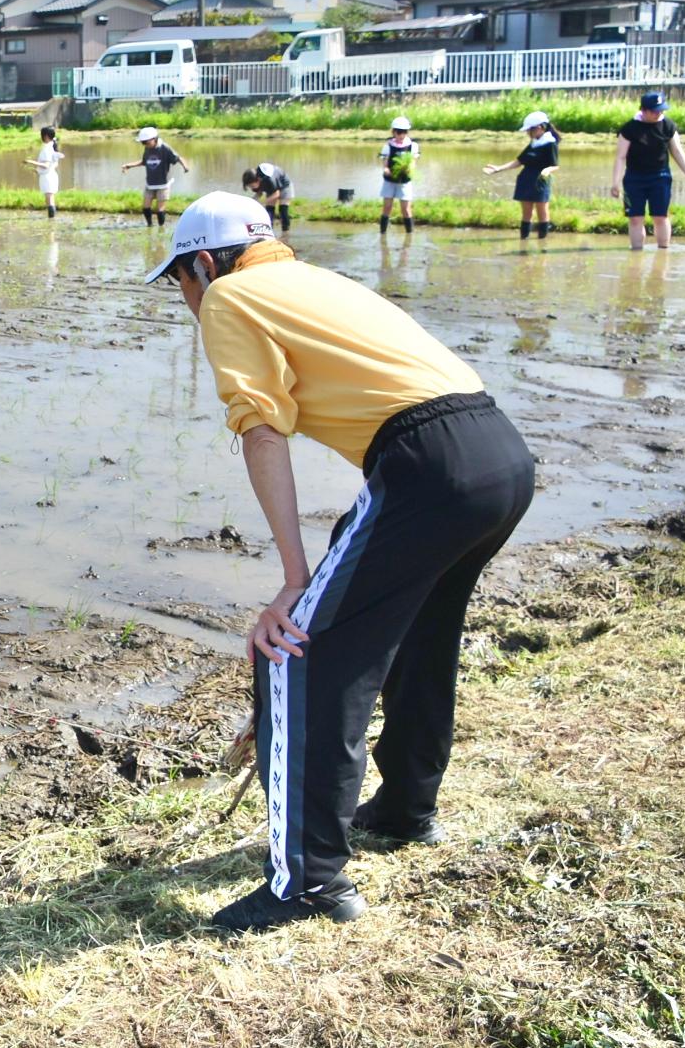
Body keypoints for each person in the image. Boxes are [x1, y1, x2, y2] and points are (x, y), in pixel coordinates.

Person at [144, 192, 533, 932]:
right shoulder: (317, 280)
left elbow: (262, 433)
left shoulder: (230, 296)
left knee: (292, 651)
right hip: (498, 453)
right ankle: (406, 807)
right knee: (419, 631)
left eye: (179, 283)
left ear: (203, 263)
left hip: (428, 465)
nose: (185, 299)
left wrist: (293, 583)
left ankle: (309, 884)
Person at [612, 91, 685, 251]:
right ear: (643, 110)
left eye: (661, 110)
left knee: (660, 216)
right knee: (635, 218)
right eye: (655, 110)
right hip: (634, 179)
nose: (659, 113)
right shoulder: (629, 129)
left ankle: (663, 253)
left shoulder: (668, 126)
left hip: (660, 177)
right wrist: (615, 183)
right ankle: (636, 254)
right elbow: (621, 157)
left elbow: (677, 152)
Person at [484, 111, 559, 241]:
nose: (528, 133)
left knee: (542, 211)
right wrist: (499, 168)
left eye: (530, 130)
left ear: (541, 127)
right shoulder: (533, 144)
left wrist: (547, 170)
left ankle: (542, 242)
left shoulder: (550, 143)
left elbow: (555, 165)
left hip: (540, 181)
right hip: (526, 179)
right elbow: (519, 161)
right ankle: (523, 240)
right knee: (526, 212)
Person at [122, 126, 186, 227]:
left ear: (154, 139)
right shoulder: (147, 149)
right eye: (143, 143)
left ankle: (161, 227)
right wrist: (129, 165)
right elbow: (144, 162)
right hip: (150, 183)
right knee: (145, 207)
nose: (144, 145)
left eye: (146, 142)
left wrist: (185, 167)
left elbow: (177, 158)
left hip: (163, 184)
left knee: (160, 210)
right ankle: (150, 225)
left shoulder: (164, 148)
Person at [377, 117, 419, 236]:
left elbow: (413, 162)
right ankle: (382, 234)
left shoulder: (412, 145)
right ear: (393, 132)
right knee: (387, 207)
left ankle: (409, 235)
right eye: (399, 132)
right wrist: (386, 169)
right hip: (390, 181)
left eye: (404, 132)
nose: (402, 135)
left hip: (404, 181)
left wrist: (409, 169)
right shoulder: (387, 146)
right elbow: (385, 162)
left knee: (406, 209)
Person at [241, 162, 295, 232]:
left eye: (252, 186)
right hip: (271, 188)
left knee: (283, 210)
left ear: (258, 180)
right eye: (250, 186)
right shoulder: (257, 178)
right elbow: (259, 193)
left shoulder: (269, 179)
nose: (252, 188)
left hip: (285, 186)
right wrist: (252, 202)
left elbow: (276, 194)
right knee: (269, 210)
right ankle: (269, 230)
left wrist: (262, 203)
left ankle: (285, 232)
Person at [27, 125, 65, 220]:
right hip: (50, 176)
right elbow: (53, 165)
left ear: (46, 136)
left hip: (48, 178)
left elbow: (46, 165)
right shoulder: (52, 147)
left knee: (50, 200)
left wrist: (31, 162)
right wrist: (37, 170)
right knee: (49, 200)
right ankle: (51, 220)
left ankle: (51, 221)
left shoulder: (47, 148)